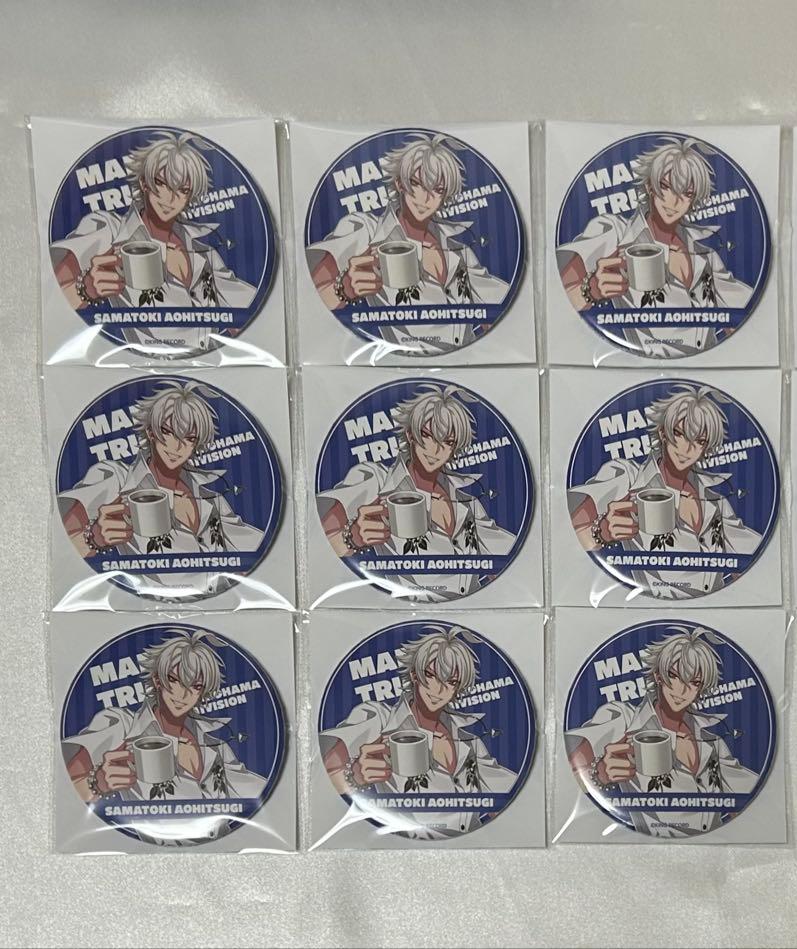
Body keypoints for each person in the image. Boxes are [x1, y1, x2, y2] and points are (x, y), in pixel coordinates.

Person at [50, 131, 257, 355]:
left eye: (183, 190)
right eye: (161, 183)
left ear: (190, 196)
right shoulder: (111, 230)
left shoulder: (203, 251)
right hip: (141, 366)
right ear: (144, 183)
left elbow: (250, 315)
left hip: (211, 364)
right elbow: (52, 298)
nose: (170, 199)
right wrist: (87, 289)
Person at [306, 132, 509, 354]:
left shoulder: (459, 251)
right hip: (402, 365)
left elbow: (502, 311)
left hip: (469, 363)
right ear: (399, 183)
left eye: (437, 190)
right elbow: (309, 296)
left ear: (445, 196)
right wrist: (344, 289)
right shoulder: (367, 231)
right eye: (416, 183)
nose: (425, 198)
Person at [58, 380, 264, 598]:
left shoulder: (211, 498)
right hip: (143, 607)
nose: (177, 446)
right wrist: (95, 538)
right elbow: (63, 545)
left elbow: (257, 549)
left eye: (189, 438)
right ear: (151, 432)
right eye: (168, 432)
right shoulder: (117, 479)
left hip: (221, 604)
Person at [62, 628, 266, 845]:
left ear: (203, 692)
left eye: (195, 686)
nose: (183, 694)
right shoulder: (123, 726)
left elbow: (259, 793)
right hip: (153, 857)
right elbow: (65, 784)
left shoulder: (215, 745)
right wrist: (99, 783)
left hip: (227, 850)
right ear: (157, 680)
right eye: (174, 680)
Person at [556, 137, 755, 357]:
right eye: (666, 187)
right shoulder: (617, 233)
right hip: (642, 366)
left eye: (686, 194)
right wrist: (592, 289)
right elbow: (558, 293)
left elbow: (746, 317)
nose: (674, 202)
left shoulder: (706, 255)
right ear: (650, 186)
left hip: (708, 364)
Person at [318, 384, 514, 601]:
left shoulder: (467, 502)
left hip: (473, 608)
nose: (435, 450)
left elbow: (509, 558)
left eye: (448, 442)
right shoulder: (378, 481)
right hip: (403, 611)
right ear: (410, 434)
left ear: (455, 448)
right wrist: (353, 537)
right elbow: (317, 541)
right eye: (427, 435)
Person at [320, 626, 517, 840]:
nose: (438, 690)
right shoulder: (380, 719)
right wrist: (356, 775)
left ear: (458, 688)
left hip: (474, 842)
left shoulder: (469, 740)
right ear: (414, 674)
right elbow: (321, 772)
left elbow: (508, 796)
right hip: (403, 845)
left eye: (451, 682)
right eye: (430, 675)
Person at [568, 384, 761, 599]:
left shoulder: (715, 500)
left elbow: (752, 559)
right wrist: (602, 531)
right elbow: (569, 520)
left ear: (706, 449)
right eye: (679, 434)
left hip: (716, 606)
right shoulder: (629, 477)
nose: (687, 449)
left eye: (699, 441)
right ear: (663, 433)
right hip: (647, 607)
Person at [566, 625, 758, 838]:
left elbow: (750, 797)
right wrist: (601, 772)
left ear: (701, 688)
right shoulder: (625, 720)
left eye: (694, 682)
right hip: (647, 847)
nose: (682, 690)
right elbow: (568, 759)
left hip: (714, 845)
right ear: (658, 676)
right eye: (674, 676)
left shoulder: (712, 741)